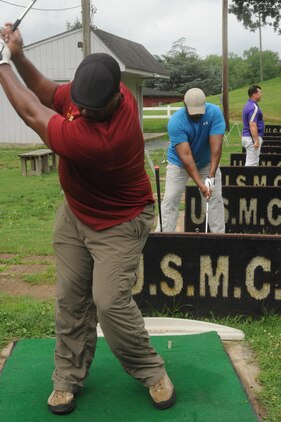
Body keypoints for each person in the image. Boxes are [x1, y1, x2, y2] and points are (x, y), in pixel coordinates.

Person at [0, 27, 176, 415]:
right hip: (77, 212)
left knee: (110, 302)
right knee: (69, 298)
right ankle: (67, 377)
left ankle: (151, 370)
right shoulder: (96, 92)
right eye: (82, 104)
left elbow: (32, 112)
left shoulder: (103, 139)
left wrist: (2, 64)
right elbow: (49, 94)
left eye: (93, 109)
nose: (85, 111)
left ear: (118, 97)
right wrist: (19, 54)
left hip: (120, 221)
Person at [156, 88, 225, 233]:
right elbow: (186, 157)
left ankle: (219, 239)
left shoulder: (215, 113)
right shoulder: (176, 121)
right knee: (171, 198)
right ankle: (163, 237)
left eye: (200, 112)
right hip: (179, 163)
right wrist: (200, 184)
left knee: (215, 198)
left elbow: (216, 148)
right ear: (184, 104)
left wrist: (211, 176)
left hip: (206, 163)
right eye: (193, 112)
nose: (197, 116)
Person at [242, 85, 264, 166]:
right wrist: (256, 140)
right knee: (252, 164)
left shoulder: (248, 104)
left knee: (251, 162)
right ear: (254, 94)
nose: (261, 94)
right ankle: (248, 178)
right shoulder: (253, 107)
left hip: (248, 137)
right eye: (260, 93)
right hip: (252, 138)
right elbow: (252, 125)